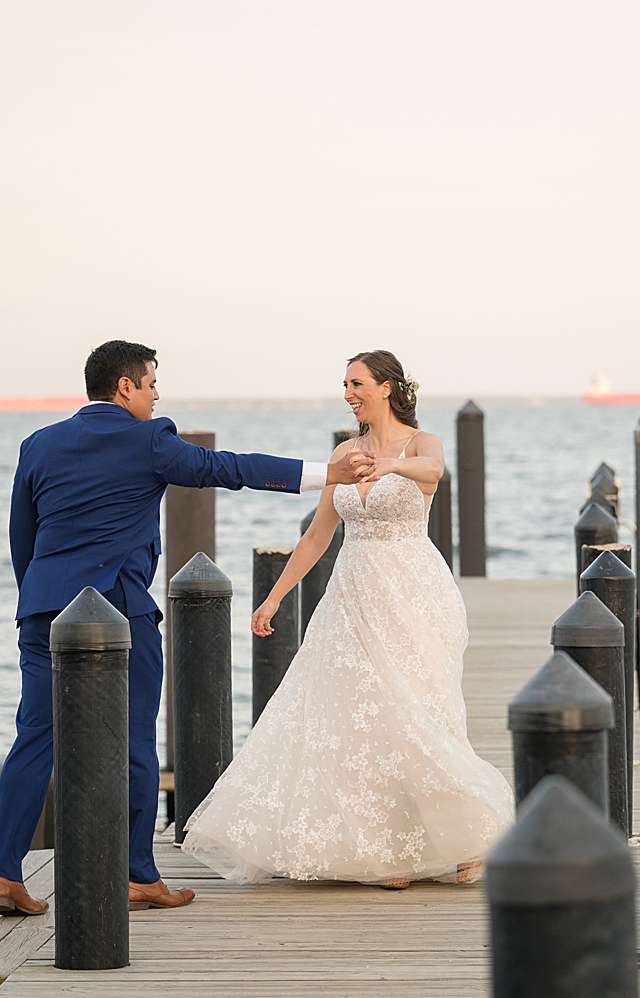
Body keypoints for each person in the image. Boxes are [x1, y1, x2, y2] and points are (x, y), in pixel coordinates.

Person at [0, 340, 374, 915]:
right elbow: (228, 468)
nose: (156, 392)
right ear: (125, 387)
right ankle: (139, 874)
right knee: (137, 738)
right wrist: (327, 472)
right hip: (121, 610)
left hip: (44, 610)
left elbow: (24, 538)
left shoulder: (38, 445)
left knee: (35, 737)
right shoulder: (150, 441)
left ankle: (1, 875)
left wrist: (40, 600)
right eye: (150, 382)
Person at [181, 350, 515, 888]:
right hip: (352, 592)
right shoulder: (344, 452)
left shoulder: (421, 444)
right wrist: (274, 598)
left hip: (411, 590)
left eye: (356, 383)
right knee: (359, 712)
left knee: (422, 708)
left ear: (386, 387)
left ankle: (467, 839)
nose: (348, 393)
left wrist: (392, 465)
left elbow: (432, 472)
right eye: (344, 384)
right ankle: (387, 849)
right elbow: (318, 536)